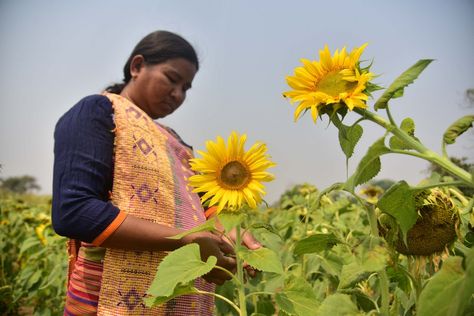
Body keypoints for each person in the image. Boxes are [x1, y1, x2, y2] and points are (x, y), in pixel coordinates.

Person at [52, 30, 260, 316]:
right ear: (137, 66)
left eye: (186, 88)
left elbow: (206, 209)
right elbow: (75, 210)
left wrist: (231, 232)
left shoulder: (177, 144)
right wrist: (185, 241)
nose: (178, 94)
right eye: (172, 79)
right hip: (107, 300)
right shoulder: (97, 112)